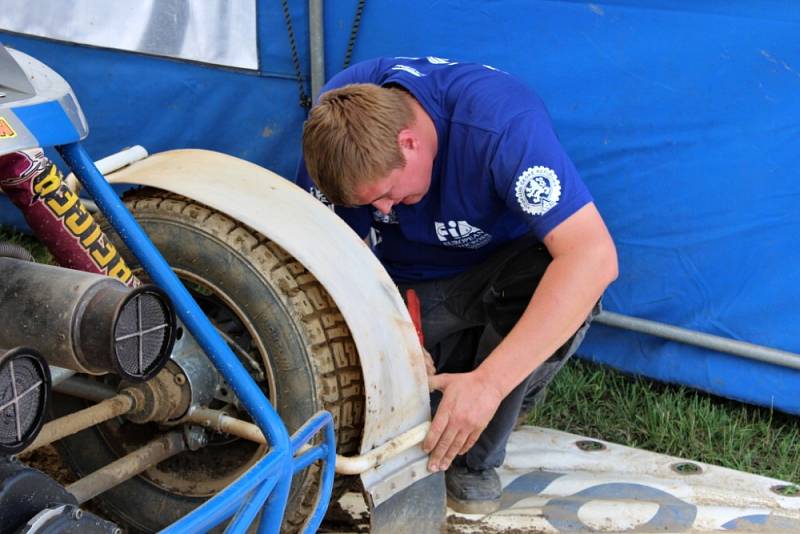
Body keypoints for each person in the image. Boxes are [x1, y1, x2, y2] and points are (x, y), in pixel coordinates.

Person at [295, 56, 617, 513]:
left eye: (388, 194)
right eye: (372, 204)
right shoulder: (336, 128)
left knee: (562, 279)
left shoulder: (502, 125)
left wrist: (489, 383)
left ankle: (477, 456)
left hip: (498, 272)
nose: (384, 212)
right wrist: (392, 332)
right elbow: (333, 255)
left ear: (408, 142)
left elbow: (594, 255)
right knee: (373, 422)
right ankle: (461, 380)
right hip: (404, 288)